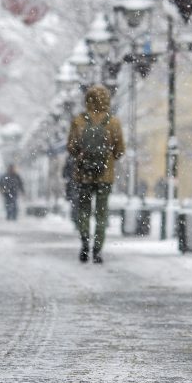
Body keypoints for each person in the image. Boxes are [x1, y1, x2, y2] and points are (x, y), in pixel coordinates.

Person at [67, 84, 125, 264]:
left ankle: (85, 242)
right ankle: (97, 250)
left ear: (87, 100)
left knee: (84, 210)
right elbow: (120, 150)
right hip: (104, 176)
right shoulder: (113, 122)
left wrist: (82, 156)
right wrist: (108, 157)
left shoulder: (79, 120)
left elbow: (71, 148)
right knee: (101, 213)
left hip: (83, 174)